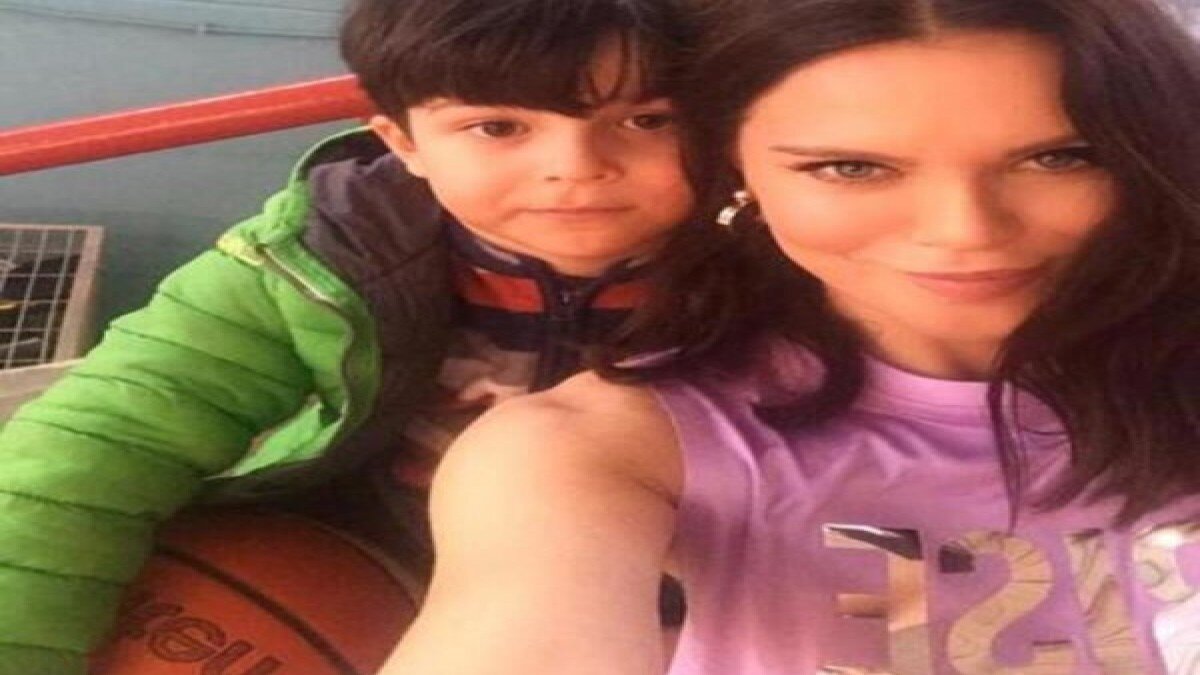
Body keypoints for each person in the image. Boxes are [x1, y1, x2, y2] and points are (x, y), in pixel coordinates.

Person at [380, 0, 1200, 672]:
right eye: (851, 167)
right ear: (736, 170)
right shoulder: (607, 446)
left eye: (1060, 157)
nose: (966, 230)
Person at [0, 0, 698, 672]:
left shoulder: (753, 273)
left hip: (651, 595)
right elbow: (98, 446)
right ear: (404, 142)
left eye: (647, 119)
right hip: (362, 563)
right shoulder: (316, 262)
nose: (576, 166)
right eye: (497, 127)